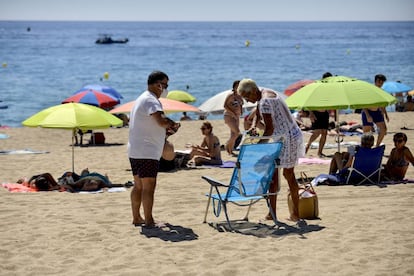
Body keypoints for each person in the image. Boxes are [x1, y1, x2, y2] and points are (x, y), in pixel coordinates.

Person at [237, 78, 304, 222]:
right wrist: (254, 125)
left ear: (254, 91)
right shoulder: (266, 93)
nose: (247, 101)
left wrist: (260, 146)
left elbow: (269, 128)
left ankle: (295, 214)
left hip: (288, 137)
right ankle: (272, 212)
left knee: (288, 174)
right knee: (273, 175)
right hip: (283, 136)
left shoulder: (265, 102)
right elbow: (258, 115)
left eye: (247, 97)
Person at [128, 71, 181, 227]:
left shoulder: (140, 99)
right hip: (147, 151)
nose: (165, 88)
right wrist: (172, 124)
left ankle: (137, 217)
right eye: (165, 85)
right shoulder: (151, 100)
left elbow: (150, 125)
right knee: (148, 186)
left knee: (138, 185)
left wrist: (166, 130)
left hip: (135, 149)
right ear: (158, 84)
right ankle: (149, 220)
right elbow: (161, 120)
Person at [361, 74, 389, 147]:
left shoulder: (382, 91)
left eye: (382, 82)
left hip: (377, 112)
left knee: (383, 130)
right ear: (375, 81)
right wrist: (367, 115)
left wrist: (386, 114)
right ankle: (365, 148)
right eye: (379, 81)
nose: (380, 83)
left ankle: (377, 146)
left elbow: (382, 104)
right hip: (367, 111)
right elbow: (363, 104)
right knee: (366, 132)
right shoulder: (370, 90)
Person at [223, 80, 243, 156]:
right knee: (237, 133)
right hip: (229, 116)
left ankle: (230, 151)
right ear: (234, 87)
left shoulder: (240, 95)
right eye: (237, 86)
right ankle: (227, 145)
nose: (238, 88)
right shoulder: (231, 95)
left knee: (233, 134)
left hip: (237, 117)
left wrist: (240, 112)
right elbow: (225, 106)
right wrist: (233, 113)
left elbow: (240, 105)